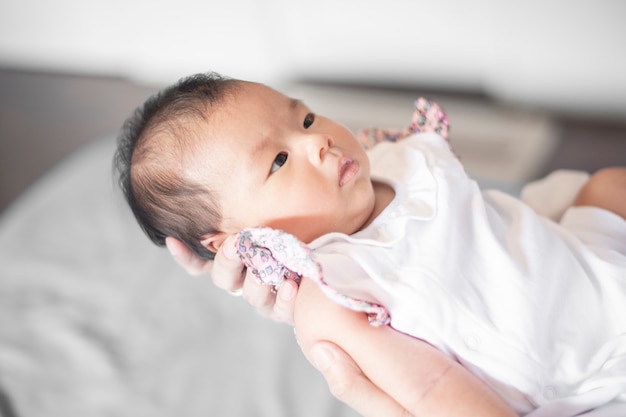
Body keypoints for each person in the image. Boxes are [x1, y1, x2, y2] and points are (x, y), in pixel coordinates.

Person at [115, 72, 626, 416]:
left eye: (306, 118)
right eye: (277, 161)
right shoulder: (334, 289)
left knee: (609, 184)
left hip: (582, 267)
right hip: (562, 358)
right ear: (238, 243)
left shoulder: (397, 159)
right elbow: (430, 389)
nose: (318, 141)